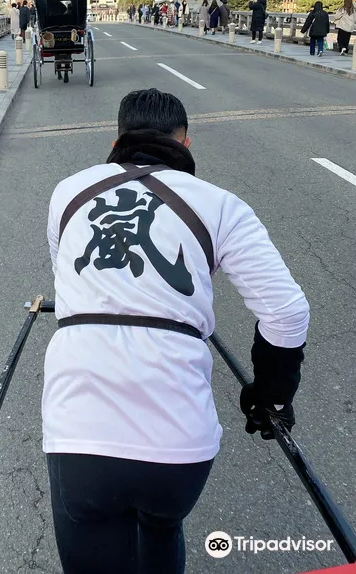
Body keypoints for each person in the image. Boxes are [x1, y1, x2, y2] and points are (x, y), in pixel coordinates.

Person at [43, 88, 309, 574]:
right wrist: (270, 396)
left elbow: (65, 274)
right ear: (185, 144)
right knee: (161, 527)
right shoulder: (222, 206)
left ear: (116, 141)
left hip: (81, 434)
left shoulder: (69, 193)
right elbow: (288, 313)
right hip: (179, 444)